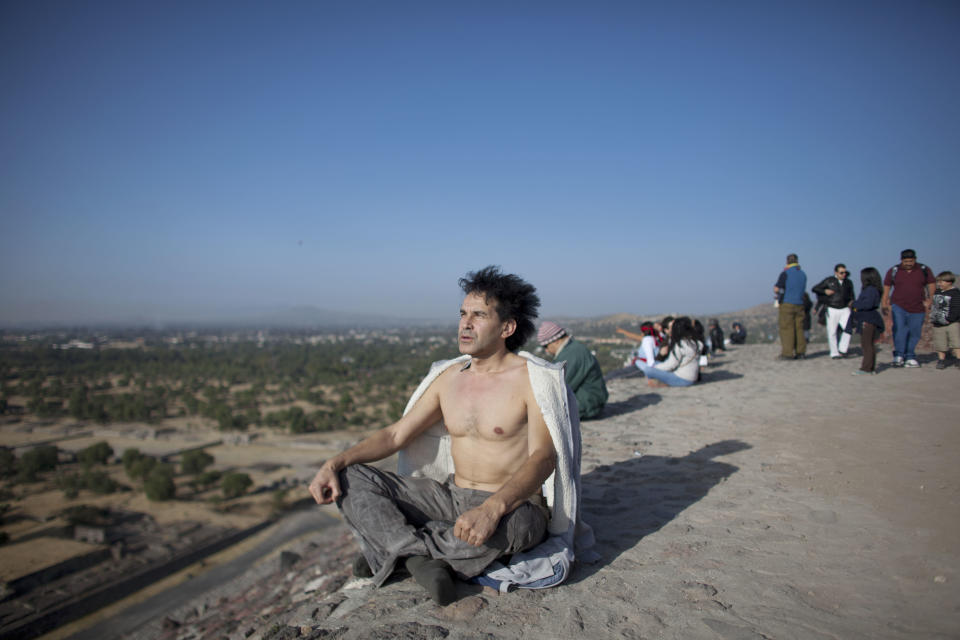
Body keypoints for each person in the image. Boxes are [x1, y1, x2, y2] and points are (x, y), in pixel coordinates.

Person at [308, 266, 592, 604]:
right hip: (448, 498)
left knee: (523, 528)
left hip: (508, 505)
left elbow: (543, 457)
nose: (465, 324)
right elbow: (397, 435)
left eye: (478, 315)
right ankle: (417, 556)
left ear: (507, 327)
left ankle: (397, 551)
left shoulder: (531, 381)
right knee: (351, 477)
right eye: (462, 314)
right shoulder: (449, 378)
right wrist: (334, 462)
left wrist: (491, 509)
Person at [538, 321, 608, 419]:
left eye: (546, 346)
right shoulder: (572, 349)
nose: (546, 350)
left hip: (589, 404)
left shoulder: (571, 354)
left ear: (556, 341)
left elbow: (559, 387)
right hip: (589, 400)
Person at [882, 249, 936, 368]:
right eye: (906, 261)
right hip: (898, 305)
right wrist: (884, 301)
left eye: (910, 261)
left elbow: (931, 283)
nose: (908, 263)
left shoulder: (923, 269)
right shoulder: (894, 270)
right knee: (899, 330)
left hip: (918, 307)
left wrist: (931, 299)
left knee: (915, 332)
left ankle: (910, 356)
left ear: (915, 259)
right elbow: (887, 286)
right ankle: (899, 355)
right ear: (901, 260)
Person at [812, 264, 855, 359]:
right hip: (832, 308)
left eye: (845, 272)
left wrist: (852, 304)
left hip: (844, 308)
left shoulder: (848, 283)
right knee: (832, 332)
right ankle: (834, 352)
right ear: (836, 272)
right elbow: (815, 288)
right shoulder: (829, 281)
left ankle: (843, 349)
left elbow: (852, 295)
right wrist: (825, 291)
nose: (844, 274)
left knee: (848, 329)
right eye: (841, 272)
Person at [848, 267, 885, 375]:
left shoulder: (870, 290)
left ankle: (866, 368)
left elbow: (867, 304)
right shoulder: (874, 289)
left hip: (867, 319)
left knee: (866, 344)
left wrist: (853, 304)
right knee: (870, 344)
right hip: (871, 318)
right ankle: (870, 367)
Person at [644, 316, 700, 387]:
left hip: (682, 379)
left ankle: (656, 382)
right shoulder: (696, 342)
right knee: (656, 364)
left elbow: (671, 365)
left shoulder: (680, 344)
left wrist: (654, 367)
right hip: (693, 377)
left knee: (648, 370)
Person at [774, 254, 808, 359]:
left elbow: (776, 288)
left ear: (787, 262)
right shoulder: (803, 274)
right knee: (799, 328)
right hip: (800, 303)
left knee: (787, 328)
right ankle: (800, 352)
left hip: (787, 303)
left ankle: (787, 353)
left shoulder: (785, 273)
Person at [930, 271, 960, 370]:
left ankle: (958, 359)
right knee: (940, 342)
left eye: (941, 282)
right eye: (938, 282)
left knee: (955, 342)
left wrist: (949, 319)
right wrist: (934, 318)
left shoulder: (955, 293)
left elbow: (956, 308)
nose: (939, 284)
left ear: (949, 282)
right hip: (938, 323)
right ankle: (941, 360)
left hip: (951, 323)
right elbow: (934, 306)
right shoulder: (937, 292)